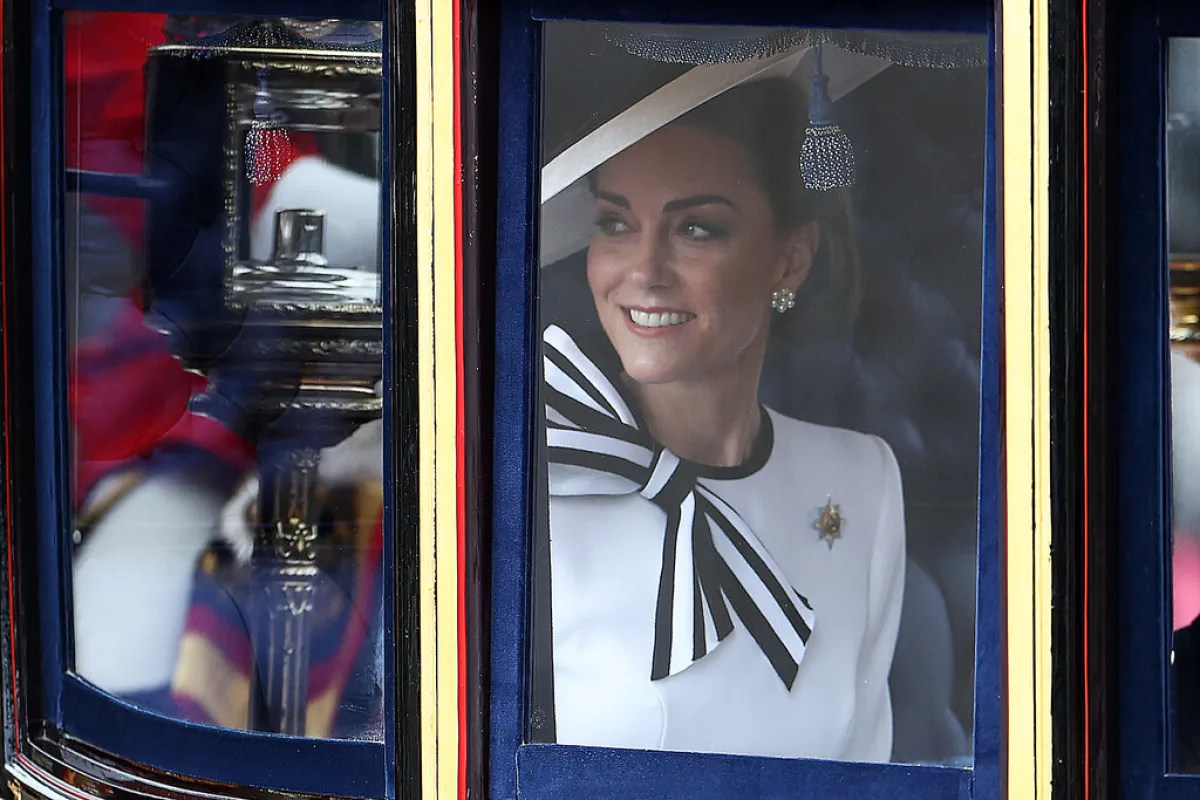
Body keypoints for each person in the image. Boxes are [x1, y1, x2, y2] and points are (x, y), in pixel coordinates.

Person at [538, 56, 906, 763]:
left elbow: (866, 765)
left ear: (789, 260)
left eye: (696, 230)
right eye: (616, 223)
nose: (642, 272)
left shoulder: (863, 481)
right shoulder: (528, 485)